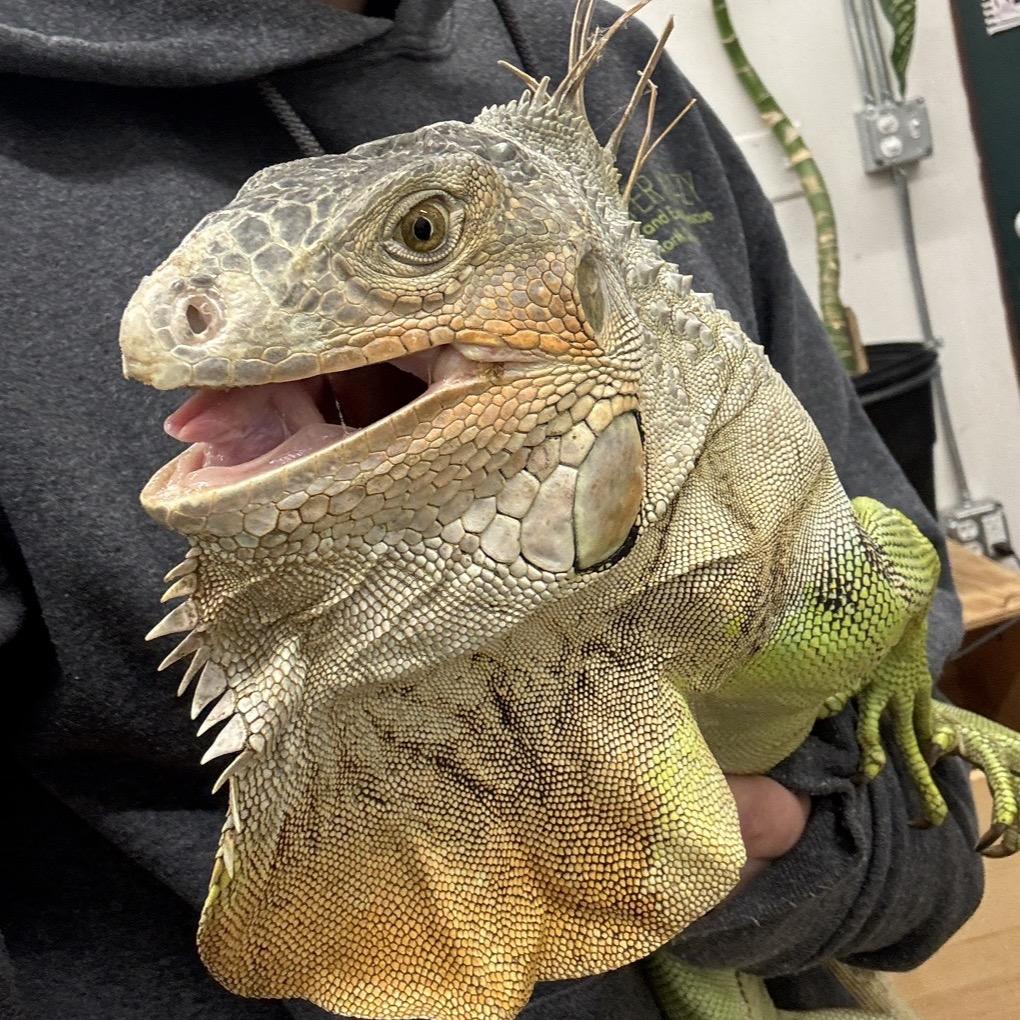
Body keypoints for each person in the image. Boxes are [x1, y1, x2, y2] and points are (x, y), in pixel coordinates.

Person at [0, 0, 983, 1017]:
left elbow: (918, 745)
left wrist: (828, 856)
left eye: (422, 234)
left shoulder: (594, 58)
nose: (190, 312)